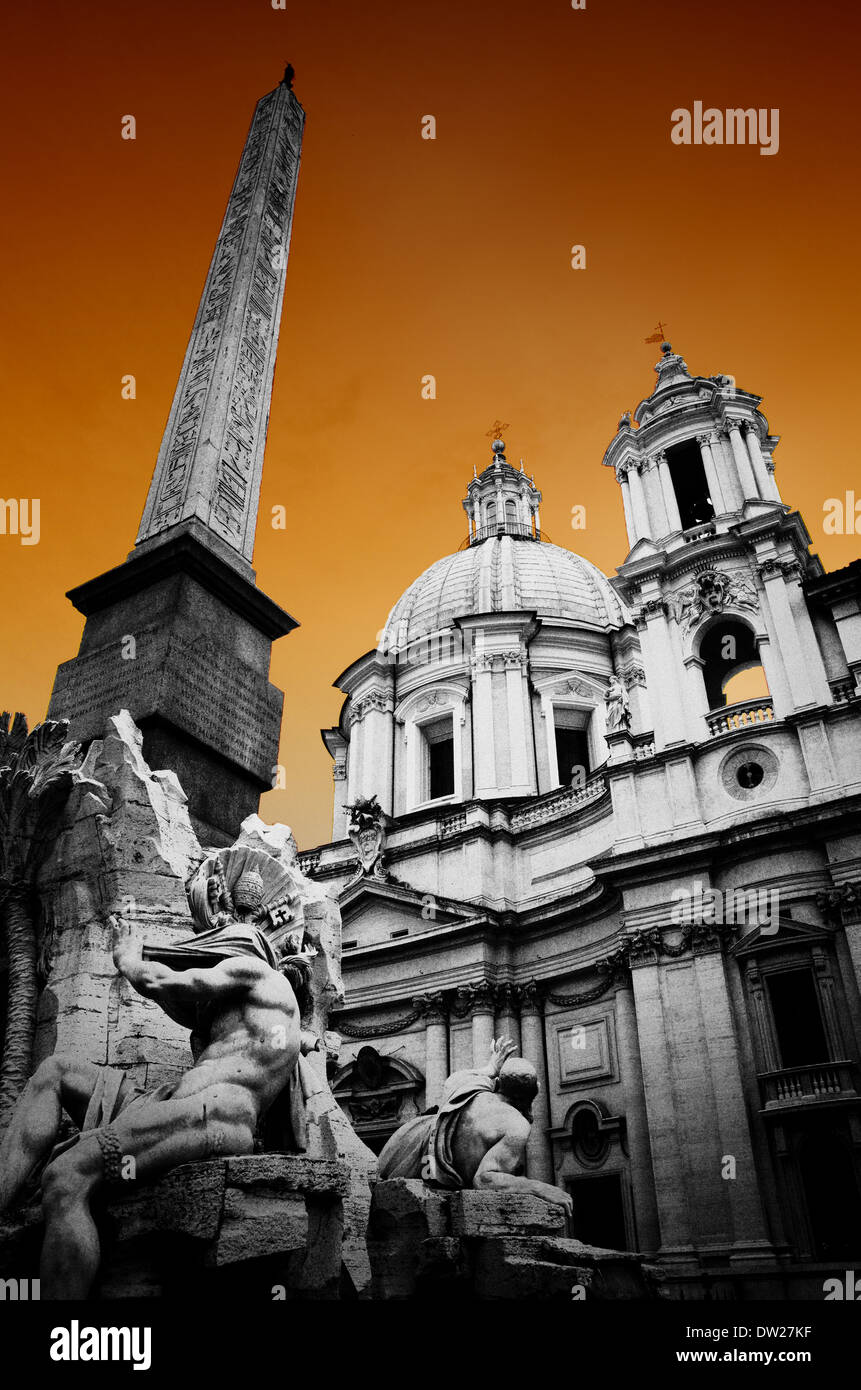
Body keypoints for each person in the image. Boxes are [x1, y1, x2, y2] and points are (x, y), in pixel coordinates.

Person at [0, 914, 305, 1299]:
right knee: (56, 1071)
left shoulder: (258, 973)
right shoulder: (237, 1012)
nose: (208, 960)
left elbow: (165, 982)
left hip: (215, 1115)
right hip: (170, 1105)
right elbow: (173, 996)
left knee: (66, 1177)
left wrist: (128, 959)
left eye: (211, 951)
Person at [378, 1037, 573, 1218]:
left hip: (401, 1150)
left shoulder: (464, 1084)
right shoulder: (516, 1126)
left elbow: (470, 1076)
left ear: (498, 1083)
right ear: (531, 1097)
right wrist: (540, 1188)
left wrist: (491, 1066)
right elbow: (483, 1180)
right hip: (428, 1179)